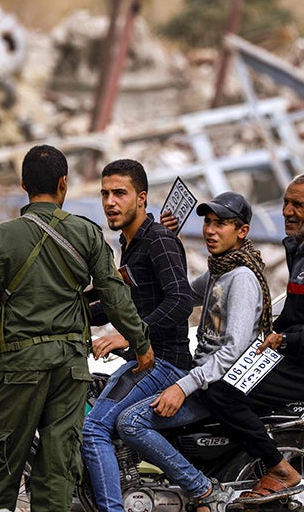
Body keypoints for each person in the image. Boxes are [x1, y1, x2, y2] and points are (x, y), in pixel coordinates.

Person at [0, 144, 156, 512]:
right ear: (63, 183)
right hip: (69, 369)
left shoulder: (0, 238)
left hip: (18, 368)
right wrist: (141, 343)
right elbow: (115, 296)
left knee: (3, 465)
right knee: (58, 468)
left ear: (23, 184)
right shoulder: (86, 233)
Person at [199, 172, 304, 504]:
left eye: (297, 205)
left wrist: (285, 341)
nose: (287, 211)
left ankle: (278, 469)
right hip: (295, 356)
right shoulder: (303, 248)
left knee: (220, 392)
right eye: (286, 203)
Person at [117, 191, 273, 512]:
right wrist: (167, 243)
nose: (210, 231)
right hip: (202, 377)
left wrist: (182, 386)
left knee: (130, 422)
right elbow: (182, 296)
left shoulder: (242, 278)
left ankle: (204, 491)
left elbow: (232, 351)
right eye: (208, 222)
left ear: (242, 231)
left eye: (221, 224)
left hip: (216, 387)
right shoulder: (219, 270)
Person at [82, 159, 194, 512]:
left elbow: (181, 300)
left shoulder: (159, 240)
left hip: (165, 363)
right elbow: (120, 303)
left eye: (120, 193)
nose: (110, 202)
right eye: (104, 194)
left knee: (93, 429)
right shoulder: (130, 242)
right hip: (145, 360)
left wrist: (132, 337)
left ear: (141, 198)